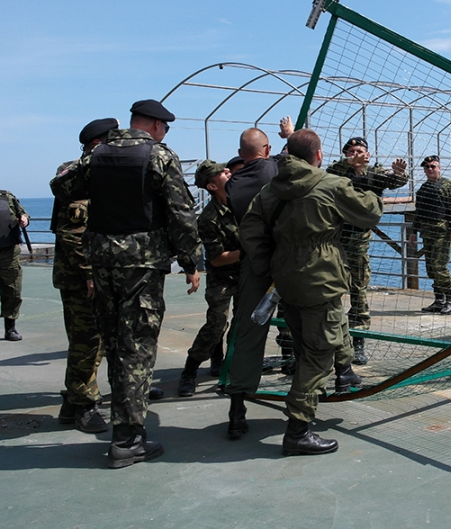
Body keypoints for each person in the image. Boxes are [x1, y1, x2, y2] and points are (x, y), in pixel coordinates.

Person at [50, 99, 202, 469]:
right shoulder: (160, 156)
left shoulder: (97, 155)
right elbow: (181, 214)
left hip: (102, 263)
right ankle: (127, 439)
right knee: (138, 348)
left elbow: (61, 186)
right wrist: (190, 261)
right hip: (142, 265)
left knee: (115, 343)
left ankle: (122, 423)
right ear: (155, 125)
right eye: (165, 127)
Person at [240, 129, 383, 455]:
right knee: (318, 355)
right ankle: (298, 429)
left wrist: (266, 266)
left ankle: (345, 372)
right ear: (318, 155)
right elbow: (370, 212)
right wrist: (369, 184)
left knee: (313, 338)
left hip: (286, 281)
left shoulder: (269, 191)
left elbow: (249, 230)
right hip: (321, 280)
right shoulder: (331, 185)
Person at [223, 118, 301, 440]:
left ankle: (237, 410)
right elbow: (298, 159)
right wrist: (291, 135)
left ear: (241, 154)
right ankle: (320, 390)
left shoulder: (233, 185)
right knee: (307, 325)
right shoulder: (278, 170)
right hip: (290, 263)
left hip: (255, 265)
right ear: (267, 149)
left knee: (249, 334)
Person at [52, 118, 117, 433]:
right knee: (87, 341)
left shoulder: (97, 173)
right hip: (80, 277)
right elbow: (73, 231)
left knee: (97, 340)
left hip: (94, 274)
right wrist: (90, 273)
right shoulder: (79, 175)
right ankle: (85, 406)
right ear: (97, 144)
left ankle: (72, 401)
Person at [326, 136, 408, 364]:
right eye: (351, 151)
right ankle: (331, 339)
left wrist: (400, 173)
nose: (355, 154)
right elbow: (329, 172)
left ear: (368, 155)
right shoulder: (339, 171)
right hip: (333, 238)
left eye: (359, 151)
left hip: (358, 240)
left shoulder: (374, 173)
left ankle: (359, 341)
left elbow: (394, 180)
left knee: (358, 290)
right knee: (330, 288)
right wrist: (350, 163)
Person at [177, 160, 240, 397]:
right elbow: (216, 259)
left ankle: (229, 364)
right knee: (216, 325)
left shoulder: (242, 202)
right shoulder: (209, 218)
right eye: (222, 172)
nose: (228, 171)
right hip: (222, 277)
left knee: (242, 325)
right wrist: (248, 251)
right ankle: (190, 370)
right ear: (212, 186)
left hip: (246, 274)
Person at [409, 156, 451, 315]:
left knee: (439, 267)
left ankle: (450, 299)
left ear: (439, 168)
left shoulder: (447, 186)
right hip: (427, 232)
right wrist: (414, 232)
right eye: (426, 167)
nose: (429, 169)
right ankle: (439, 300)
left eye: (432, 166)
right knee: (431, 268)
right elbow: (419, 212)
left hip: (441, 232)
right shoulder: (424, 188)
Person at [1, 189, 30, 341]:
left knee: (13, 290)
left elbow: (23, 213)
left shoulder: (7, 197)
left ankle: (10, 328)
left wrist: (24, 219)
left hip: (9, 252)